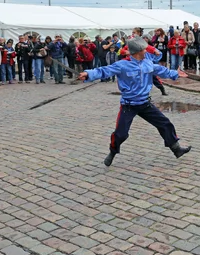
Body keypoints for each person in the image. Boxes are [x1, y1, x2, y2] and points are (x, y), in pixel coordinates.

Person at [78, 37, 192, 167]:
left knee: (165, 124)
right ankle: (112, 152)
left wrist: (175, 74)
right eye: (144, 48)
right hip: (128, 105)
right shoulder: (122, 65)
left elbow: (161, 70)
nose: (146, 50)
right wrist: (88, 74)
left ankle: (176, 149)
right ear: (138, 51)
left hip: (145, 103)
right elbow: (104, 71)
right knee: (121, 134)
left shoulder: (147, 63)